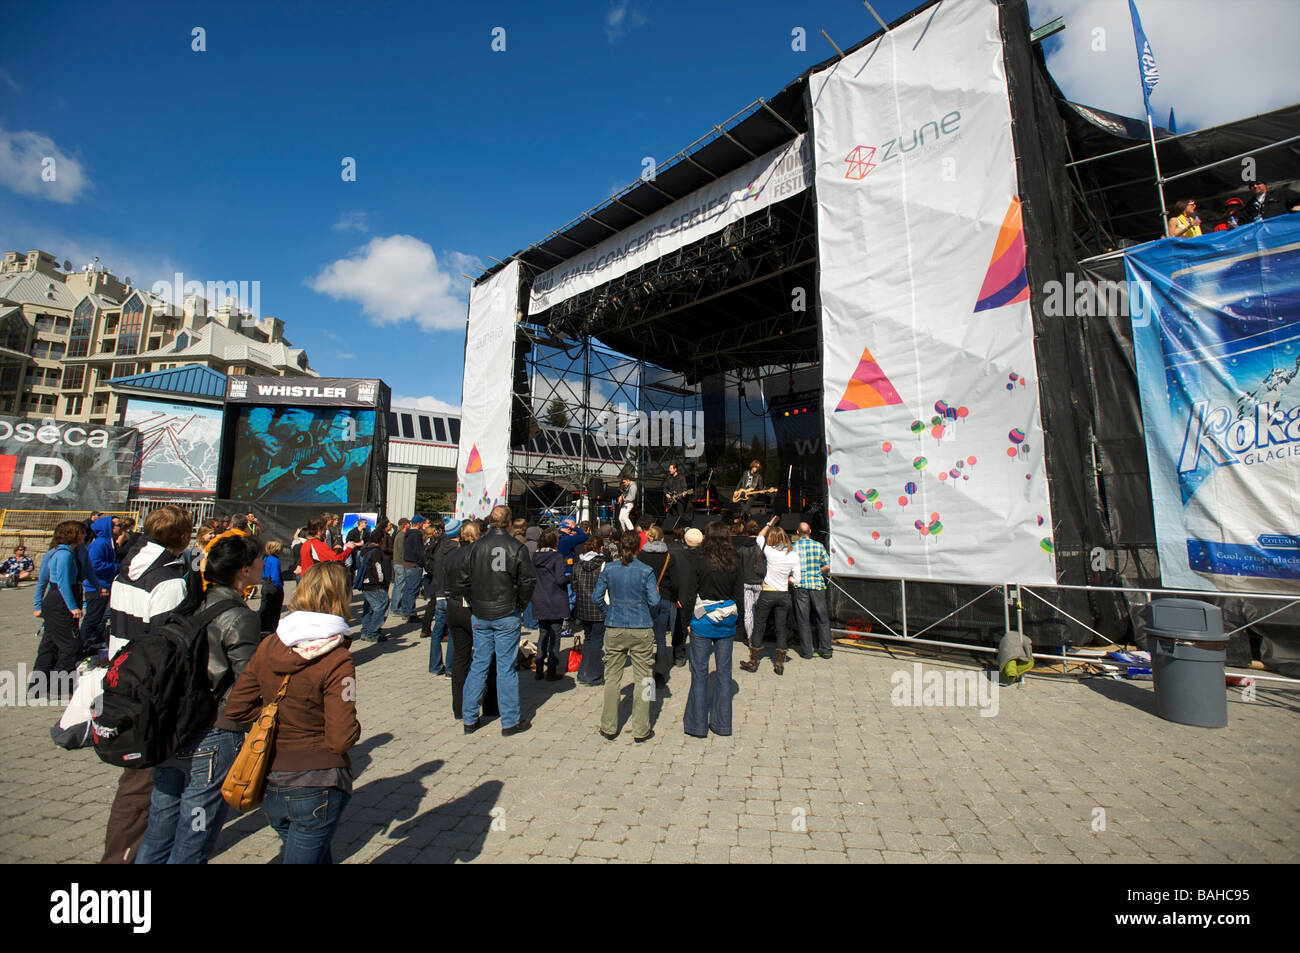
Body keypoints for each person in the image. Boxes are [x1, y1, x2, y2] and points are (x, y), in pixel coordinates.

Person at [136, 533, 263, 864]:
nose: (264, 564)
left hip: (172, 725)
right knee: (195, 833)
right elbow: (249, 680)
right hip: (213, 733)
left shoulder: (191, 601)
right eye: (259, 560)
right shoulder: (239, 615)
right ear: (245, 570)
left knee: (159, 827)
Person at [225, 562, 361, 864]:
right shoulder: (338, 658)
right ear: (342, 597)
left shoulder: (269, 644)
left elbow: (236, 707)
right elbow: (341, 738)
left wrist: (272, 719)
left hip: (272, 778)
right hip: (317, 778)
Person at [100, 504, 197, 865]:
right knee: (142, 783)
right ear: (183, 537)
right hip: (148, 689)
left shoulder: (129, 569)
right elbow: (167, 647)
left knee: (139, 781)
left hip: (122, 673)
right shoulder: (168, 580)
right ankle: (124, 857)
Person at [457, 505, 537, 736]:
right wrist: (520, 605)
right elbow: (527, 581)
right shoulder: (516, 547)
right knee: (505, 668)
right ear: (509, 523)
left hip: (481, 612)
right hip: (506, 612)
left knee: (479, 664)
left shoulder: (475, 547)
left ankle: (469, 718)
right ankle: (510, 721)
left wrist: (473, 601)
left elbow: (462, 580)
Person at [679, 522, 744, 738]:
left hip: (702, 621)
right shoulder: (735, 560)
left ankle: (697, 725)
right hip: (726, 621)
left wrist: (687, 619)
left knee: (699, 674)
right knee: (724, 674)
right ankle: (722, 724)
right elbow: (739, 595)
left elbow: (689, 592)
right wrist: (737, 620)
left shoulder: (700, 560)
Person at [595, 530, 660, 742]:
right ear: (638, 547)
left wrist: (609, 612)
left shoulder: (610, 569)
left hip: (615, 626)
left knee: (612, 677)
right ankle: (642, 727)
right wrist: (649, 615)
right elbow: (655, 601)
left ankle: (608, 725)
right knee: (645, 677)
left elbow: (597, 597)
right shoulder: (646, 571)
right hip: (641, 626)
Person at [445, 522, 497, 720]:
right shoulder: (478, 555)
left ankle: (458, 707)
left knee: (460, 658)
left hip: (453, 606)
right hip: (472, 607)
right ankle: (490, 704)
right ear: (476, 536)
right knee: (486, 656)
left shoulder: (451, 555)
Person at [29, 521, 86, 699]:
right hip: (60, 603)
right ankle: (59, 687)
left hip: (57, 602)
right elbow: (60, 583)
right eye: (82, 533)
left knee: (50, 644)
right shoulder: (63, 555)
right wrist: (73, 607)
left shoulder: (65, 553)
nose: (85, 536)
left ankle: (37, 686)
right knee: (70, 645)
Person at [740, 517, 801, 676]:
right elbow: (797, 579)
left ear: (772, 539)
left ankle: (753, 661)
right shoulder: (793, 556)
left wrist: (769, 524)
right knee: (781, 628)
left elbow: (759, 537)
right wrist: (787, 579)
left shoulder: (769, 550)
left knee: (759, 625)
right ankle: (779, 662)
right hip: (783, 594)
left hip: (767, 592)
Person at [636, 524, 676, 683]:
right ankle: (660, 673)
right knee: (660, 638)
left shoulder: (641, 556)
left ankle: (644, 673)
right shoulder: (668, 556)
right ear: (662, 538)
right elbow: (674, 580)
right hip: (664, 597)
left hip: (645, 599)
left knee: (645, 636)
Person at [530, 529, 571, 681]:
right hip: (555, 599)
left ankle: (539, 666)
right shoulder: (556, 557)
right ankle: (551, 668)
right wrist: (571, 578)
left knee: (543, 633)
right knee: (555, 635)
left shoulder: (535, 556)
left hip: (540, 598)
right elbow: (560, 580)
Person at [791, 522, 832, 660]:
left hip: (800, 585)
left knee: (803, 619)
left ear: (797, 532)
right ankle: (826, 649)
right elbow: (827, 565)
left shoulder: (793, 548)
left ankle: (807, 651)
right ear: (810, 531)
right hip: (817, 584)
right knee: (822, 617)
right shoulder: (818, 546)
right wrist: (817, 570)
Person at [573, 536, 608, 687]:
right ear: (600, 548)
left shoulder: (577, 565)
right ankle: (592, 675)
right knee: (596, 641)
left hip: (583, 608)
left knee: (588, 639)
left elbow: (574, 587)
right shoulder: (604, 565)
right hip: (599, 608)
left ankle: (583, 672)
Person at [355, 527, 392, 643]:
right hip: (375, 584)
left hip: (365, 583)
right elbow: (378, 568)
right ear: (381, 539)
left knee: (368, 608)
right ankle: (372, 631)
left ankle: (365, 630)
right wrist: (382, 582)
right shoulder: (375, 551)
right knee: (381, 607)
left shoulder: (364, 549)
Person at [399, 516, 427, 620]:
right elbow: (418, 551)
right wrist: (421, 563)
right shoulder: (417, 535)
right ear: (419, 523)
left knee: (407, 588)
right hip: (414, 564)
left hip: (407, 563)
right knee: (413, 589)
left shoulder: (408, 534)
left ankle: (405, 609)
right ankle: (411, 613)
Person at [260, 540, 286, 634]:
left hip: (265, 584)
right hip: (273, 586)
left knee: (265, 607)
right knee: (274, 610)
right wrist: (279, 586)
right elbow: (275, 576)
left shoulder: (265, 558)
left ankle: (263, 627)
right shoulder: (275, 560)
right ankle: (271, 629)